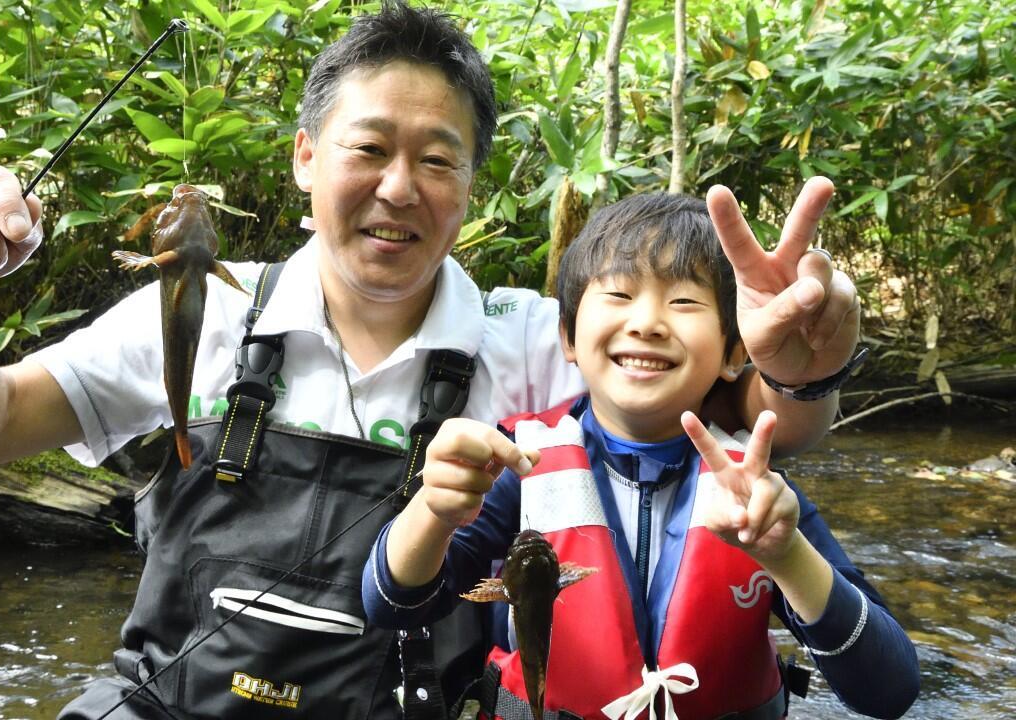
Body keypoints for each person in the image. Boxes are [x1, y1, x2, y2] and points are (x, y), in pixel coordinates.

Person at [0, 2, 863, 717]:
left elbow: (744, 431)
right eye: (368, 149)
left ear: (469, 187)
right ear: (307, 155)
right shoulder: (201, 314)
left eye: (436, 160)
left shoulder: (530, 342)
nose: (399, 187)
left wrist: (795, 366)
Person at [363, 193, 919, 720]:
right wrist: (431, 512)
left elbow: (889, 689)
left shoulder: (755, 489)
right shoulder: (518, 462)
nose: (648, 322)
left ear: (733, 353)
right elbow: (392, 605)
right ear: (568, 337)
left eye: (683, 301)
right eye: (619, 295)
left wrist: (786, 554)